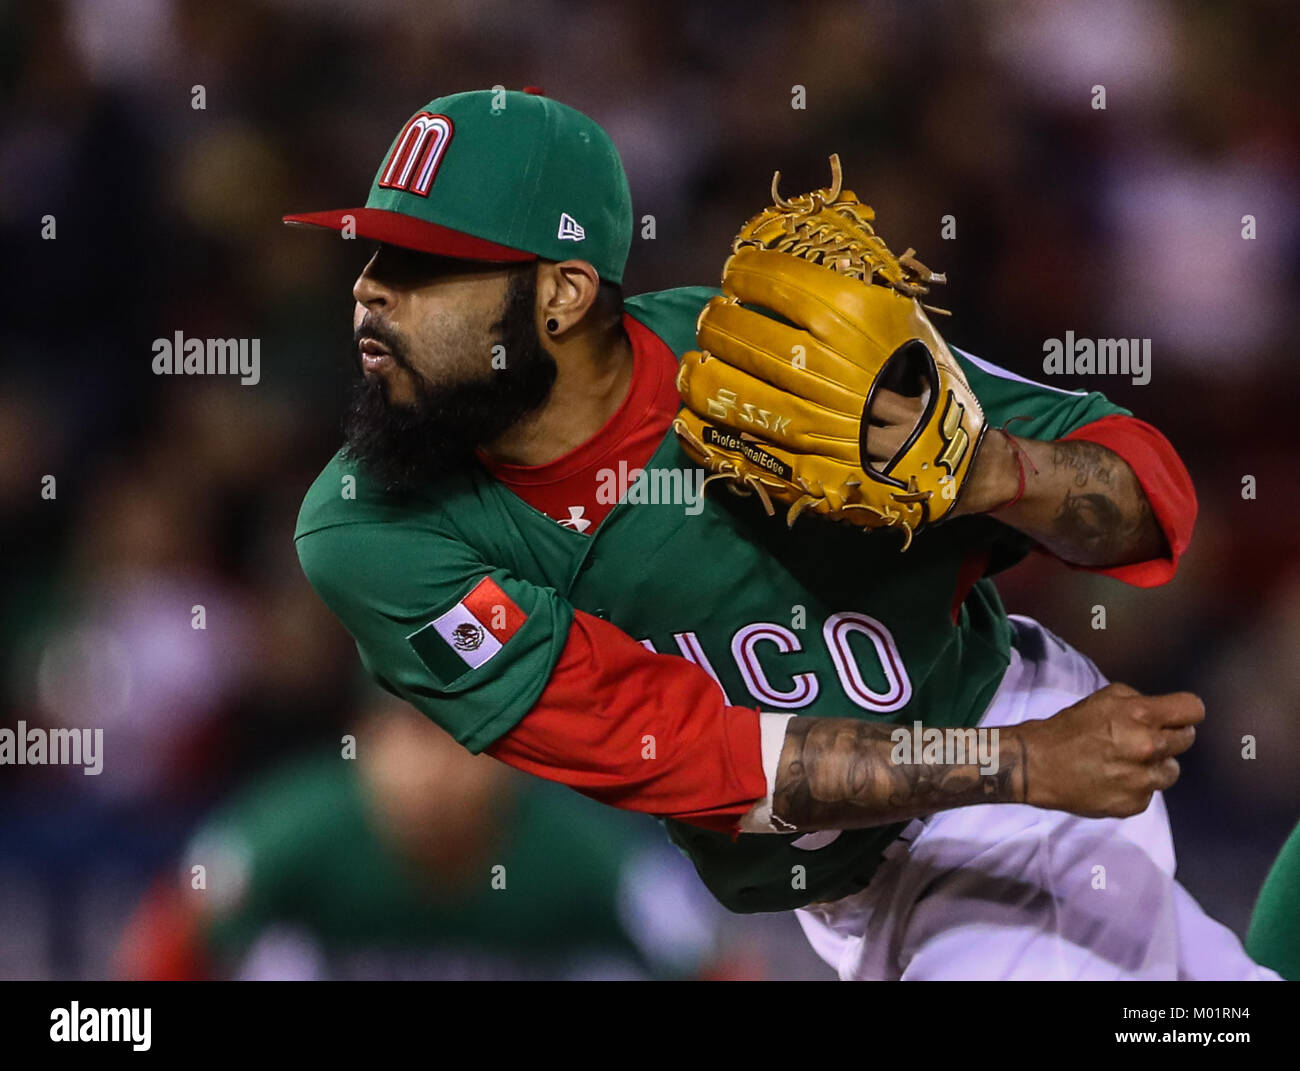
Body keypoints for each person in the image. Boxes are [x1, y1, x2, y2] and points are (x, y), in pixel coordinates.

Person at [282, 87, 1277, 979]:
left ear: (562, 293)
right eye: (372, 252)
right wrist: (1023, 761)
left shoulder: (772, 355)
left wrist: (983, 470)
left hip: (1010, 789)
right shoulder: (370, 527)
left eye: (426, 263)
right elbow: (699, 759)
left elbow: (1144, 486)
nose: (370, 287)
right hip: (892, 847)